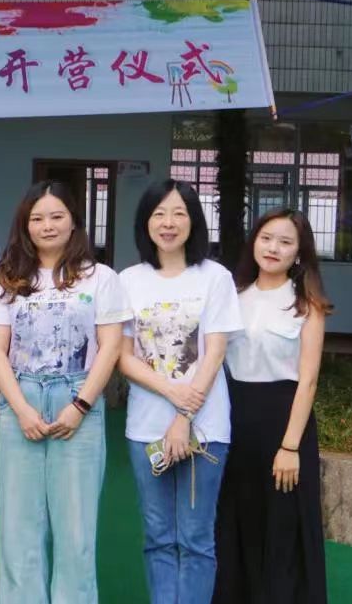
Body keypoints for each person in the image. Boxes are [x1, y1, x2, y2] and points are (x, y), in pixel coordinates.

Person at [0, 181, 131, 604]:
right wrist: (20, 408)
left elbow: (110, 347)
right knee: (18, 529)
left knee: (76, 531)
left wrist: (80, 405)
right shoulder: (11, 277)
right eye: (37, 218)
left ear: (74, 222)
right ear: (25, 225)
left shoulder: (101, 278)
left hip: (77, 398)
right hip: (21, 397)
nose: (47, 225)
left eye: (56, 216)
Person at [118, 179, 243, 604]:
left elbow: (215, 351)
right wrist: (172, 394)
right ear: (145, 222)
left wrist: (184, 416)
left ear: (194, 222)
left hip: (205, 427)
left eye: (178, 214)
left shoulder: (215, 277)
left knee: (195, 538)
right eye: (159, 214)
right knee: (157, 537)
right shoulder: (129, 280)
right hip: (145, 427)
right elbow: (123, 356)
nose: (168, 223)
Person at [214, 208, 332, 604]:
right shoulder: (231, 295)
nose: (273, 248)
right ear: (254, 242)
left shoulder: (307, 304)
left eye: (285, 242)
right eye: (266, 238)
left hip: (284, 422)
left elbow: (308, 379)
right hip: (233, 419)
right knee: (234, 519)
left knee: (283, 526)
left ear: (299, 252)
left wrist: (290, 446)